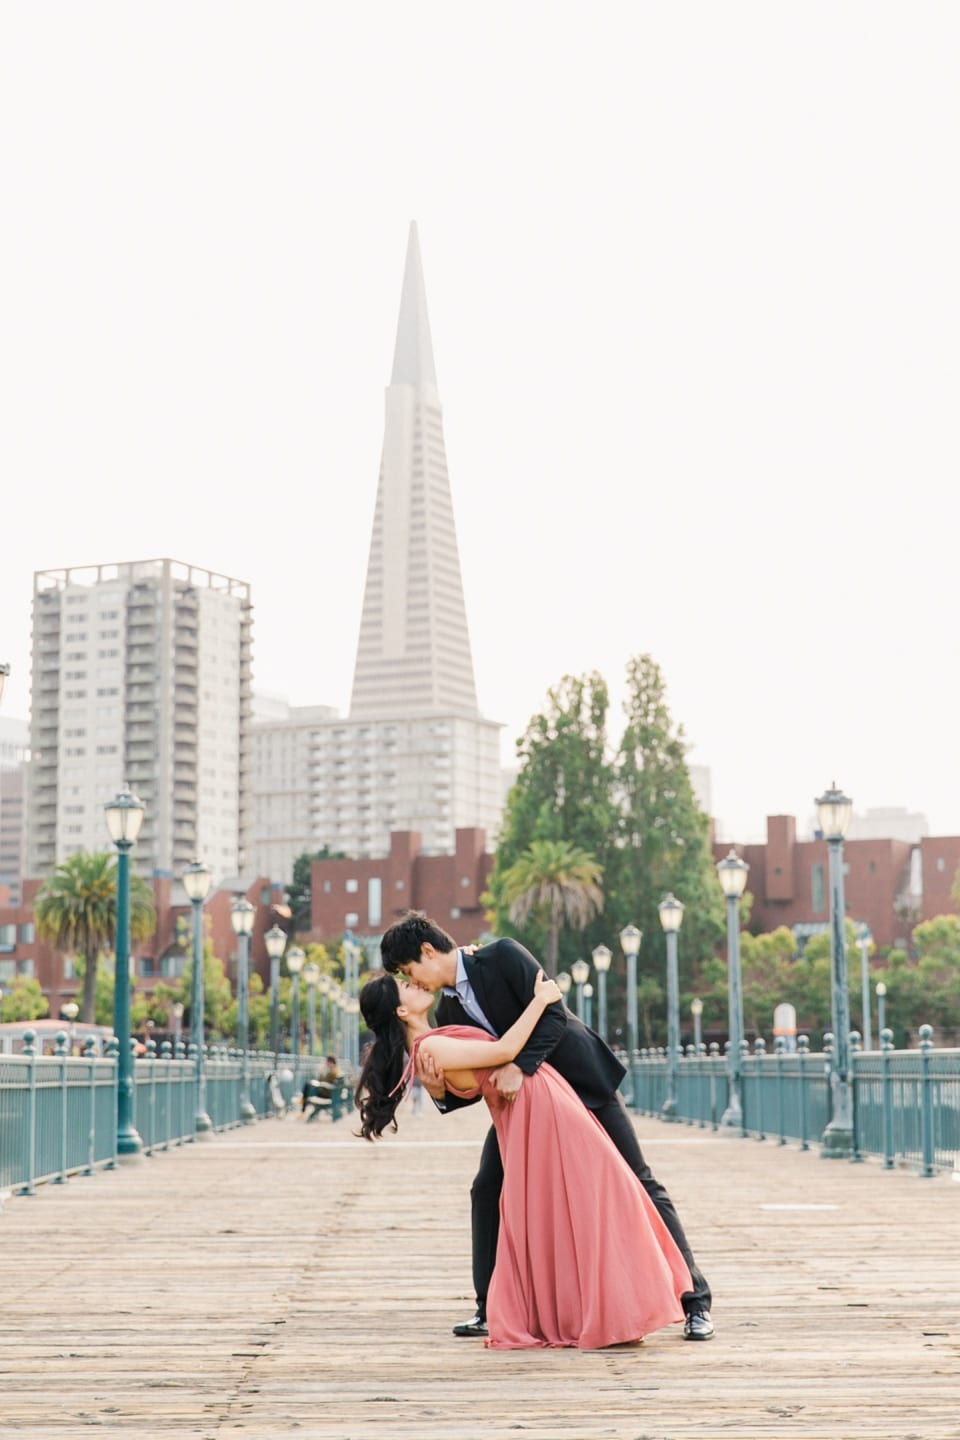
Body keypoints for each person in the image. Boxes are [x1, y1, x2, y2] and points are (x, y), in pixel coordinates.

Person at [380, 911, 714, 1341]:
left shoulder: (501, 955)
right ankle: (490, 1307)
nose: (415, 981)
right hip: (530, 1113)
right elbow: (476, 1077)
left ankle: (696, 1303)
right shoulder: (446, 1009)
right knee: (487, 1188)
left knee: (640, 1179)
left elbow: (554, 1012)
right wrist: (439, 1091)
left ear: (428, 951)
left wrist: (521, 1065)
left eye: (410, 971)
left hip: (580, 1082)